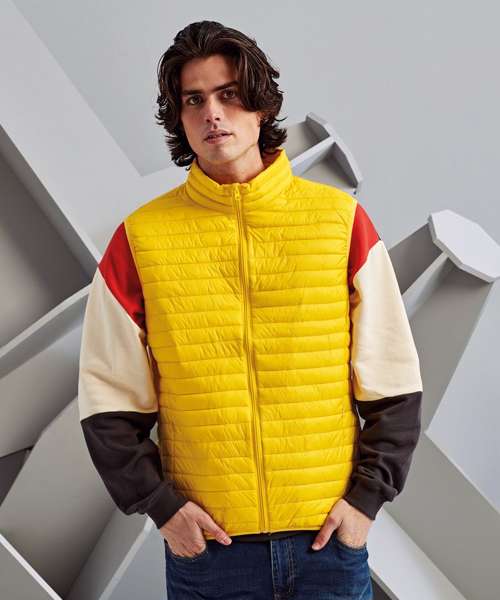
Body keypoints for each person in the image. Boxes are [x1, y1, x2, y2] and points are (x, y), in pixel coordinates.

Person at [78, 20, 423, 600]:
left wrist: (365, 503)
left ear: (261, 105)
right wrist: (163, 510)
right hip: (212, 552)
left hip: (327, 545)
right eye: (194, 100)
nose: (213, 113)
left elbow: (395, 380)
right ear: (179, 118)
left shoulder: (339, 223)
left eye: (229, 94)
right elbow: (106, 399)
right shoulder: (140, 239)